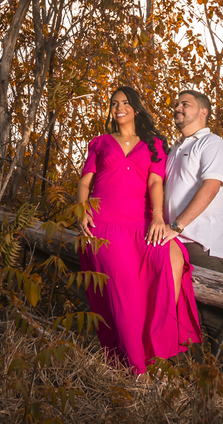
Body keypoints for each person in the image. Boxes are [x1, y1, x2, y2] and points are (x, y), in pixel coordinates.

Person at [76, 86, 201, 374]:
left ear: (136, 108)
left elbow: (156, 182)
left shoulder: (154, 144)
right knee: (123, 295)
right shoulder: (100, 142)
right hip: (104, 225)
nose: (119, 108)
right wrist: (81, 210)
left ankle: (158, 340)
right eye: (114, 103)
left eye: (125, 103)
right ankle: (136, 370)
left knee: (173, 256)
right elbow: (85, 182)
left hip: (142, 223)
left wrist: (158, 218)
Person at [163, 89, 223, 356]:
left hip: (202, 243)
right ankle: (188, 381)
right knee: (180, 312)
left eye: (185, 104)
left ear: (203, 112)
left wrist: (176, 226)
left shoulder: (212, 143)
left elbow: (211, 187)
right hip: (173, 244)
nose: (177, 107)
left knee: (212, 317)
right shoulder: (174, 149)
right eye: (176, 103)